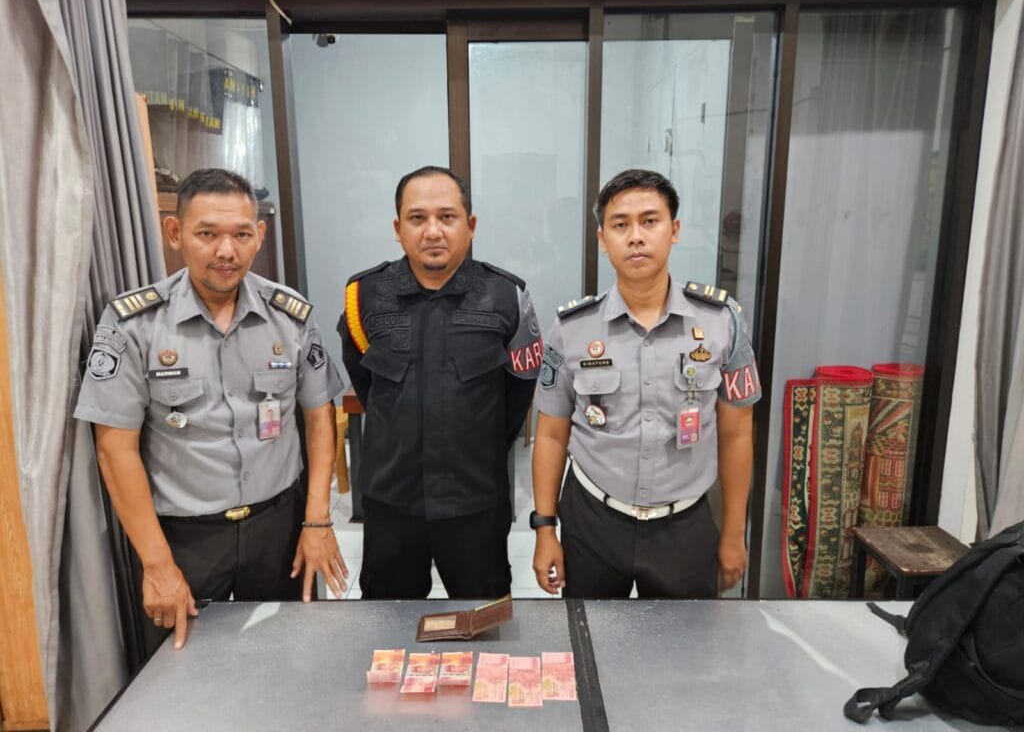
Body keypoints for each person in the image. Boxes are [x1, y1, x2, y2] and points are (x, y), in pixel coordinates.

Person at [74, 168, 347, 649]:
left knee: (291, 658)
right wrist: (157, 564)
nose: (226, 251)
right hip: (184, 541)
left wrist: (318, 520)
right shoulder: (135, 324)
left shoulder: (289, 315)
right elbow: (114, 450)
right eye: (207, 234)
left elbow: (319, 417)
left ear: (259, 235)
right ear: (175, 233)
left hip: (279, 530)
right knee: (184, 673)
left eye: (241, 234)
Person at [530, 169, 761, 599]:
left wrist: (733, 533)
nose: (636, 237)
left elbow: (736, 433)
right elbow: (550, 434)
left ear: (674, 230)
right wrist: (545, 529)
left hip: (685, 526)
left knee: (684, 640)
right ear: (603, 240)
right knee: (592, 635)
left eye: (650, 221)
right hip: (593, 523)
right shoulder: (572, 329)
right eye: (620, 225)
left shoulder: (721, 323)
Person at [340, 165, 541, 599]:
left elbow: (519, 393)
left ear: (470, 225)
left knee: (482, 622)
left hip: (475, 503)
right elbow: (366, 385)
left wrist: (476, 447)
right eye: (417, 218)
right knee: (388, 625)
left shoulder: (507, 297)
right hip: (392, 504)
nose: (433, 231)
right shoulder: (363, 296)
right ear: (398, 229)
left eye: (447, 217)